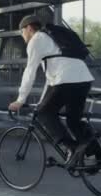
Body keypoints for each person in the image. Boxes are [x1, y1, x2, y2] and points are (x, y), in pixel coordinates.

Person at [8, 14, 95, 162]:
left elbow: (30, 71)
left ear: (29, 28)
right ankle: (100, 156)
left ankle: (72, 149)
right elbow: (51, 80)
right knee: (74, 121)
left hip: (66, 80)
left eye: (22, 32)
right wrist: (41, 102)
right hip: (84, 79)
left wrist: (20, 100)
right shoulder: (51, 39)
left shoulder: (36, 40)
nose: (22, 36)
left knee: (44, 114)